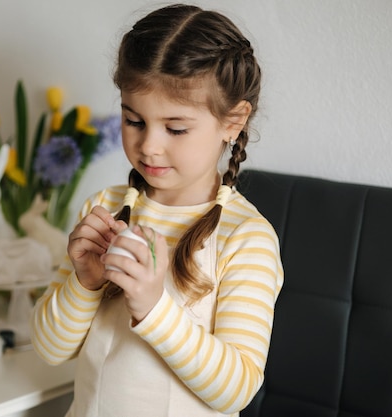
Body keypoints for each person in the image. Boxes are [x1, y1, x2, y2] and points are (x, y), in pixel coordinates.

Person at [31, 4, 284, 416]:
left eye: (176, 128)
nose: (149, 145)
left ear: (233, 122)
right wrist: (85, 282)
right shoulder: (104, 207)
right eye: (134, 121)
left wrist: (153, 307)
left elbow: (236, 389)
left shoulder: (246, 238)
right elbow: (49, 349)